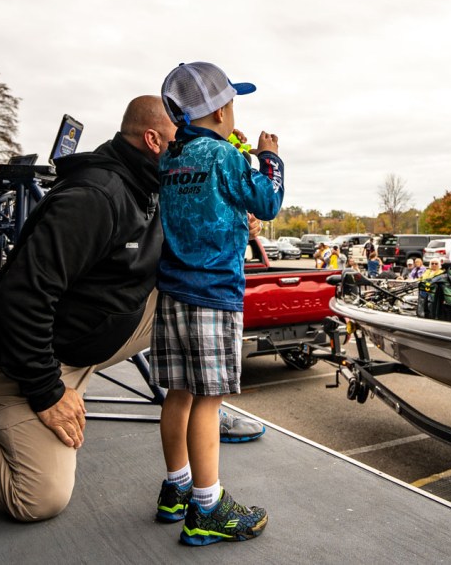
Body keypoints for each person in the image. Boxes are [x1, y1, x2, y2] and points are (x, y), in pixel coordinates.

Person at [0, 96, 259, 522]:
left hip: (92, 337)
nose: (194, 145)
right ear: (153, 141)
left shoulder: (163, 185)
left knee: (198, 296)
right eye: (183, 136)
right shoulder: (94, 197)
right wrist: (47, 392)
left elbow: (189, 253)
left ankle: (203, 413)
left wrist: (231, 216)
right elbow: (20, 298)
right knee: (38, 498)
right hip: (29, 359)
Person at [152, 62, 282, 545]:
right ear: (222, 111)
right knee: (208, 400)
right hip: (213, 294)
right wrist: (269, 159)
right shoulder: (226, 156)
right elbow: (267, 202)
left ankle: (177, 488)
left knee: (179, 393)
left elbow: (205, 196)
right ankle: (207, 507)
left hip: (173, 292)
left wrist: (231, 150)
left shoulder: (171, 158)